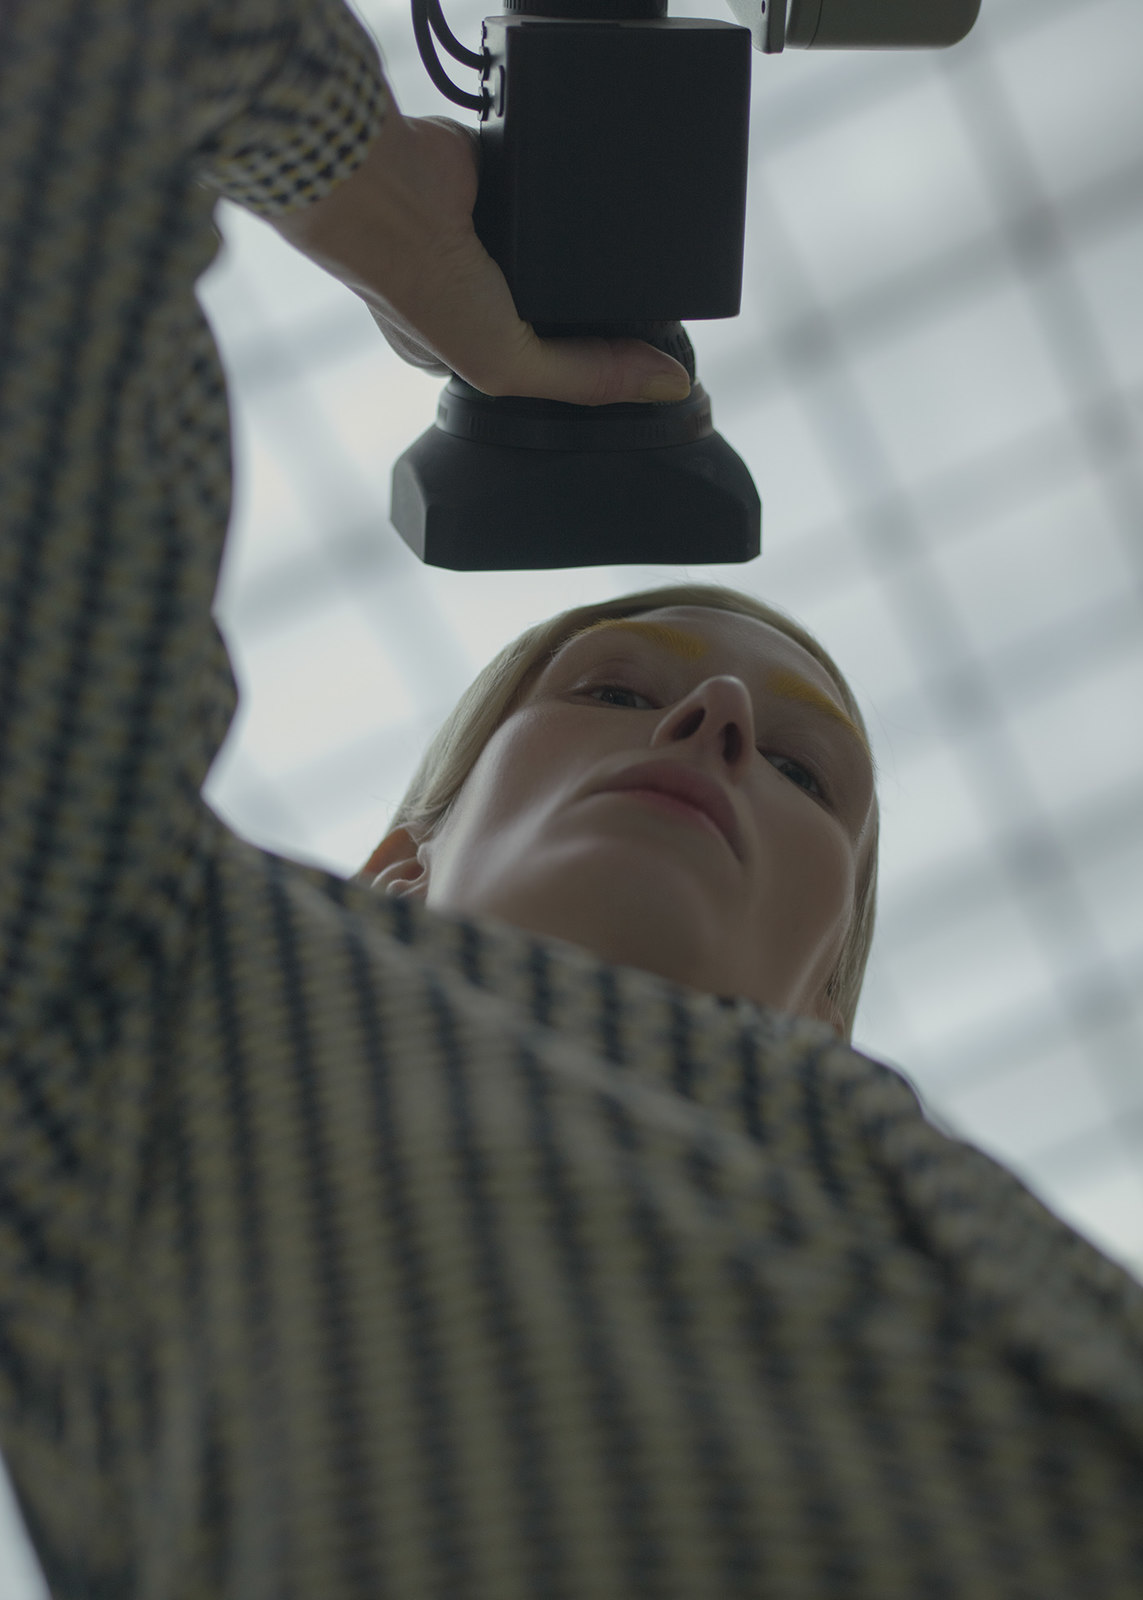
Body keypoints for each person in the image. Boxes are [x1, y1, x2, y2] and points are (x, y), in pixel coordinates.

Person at [0, 1, 1140, 1597]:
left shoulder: (1040, 1270)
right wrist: (383, 198)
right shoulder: (155, 994)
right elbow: (69, 53)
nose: (721, 713)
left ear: (830, 996)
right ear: (401, 860)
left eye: (809, 773)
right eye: (614, 688)